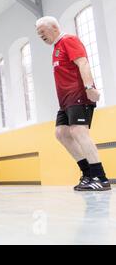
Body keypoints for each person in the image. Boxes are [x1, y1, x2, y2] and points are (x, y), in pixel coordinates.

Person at [36, 16, 111, 191]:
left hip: (78, 95)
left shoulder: (69, 40)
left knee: (78, 131)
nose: (40, 36)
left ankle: (100, 177)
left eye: (42, 32)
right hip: (65, 101)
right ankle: (87, 174)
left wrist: (89, 87)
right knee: (61, 133)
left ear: (54, 27)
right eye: (38, 34)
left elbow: (83, 62)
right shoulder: (56, 48)